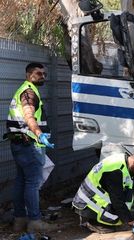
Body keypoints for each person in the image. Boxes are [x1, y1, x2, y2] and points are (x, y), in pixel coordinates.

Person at [5, 63, 57, 233]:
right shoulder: (28, 92)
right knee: (32, 183)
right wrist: (39, 133)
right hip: (30, 144)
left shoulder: (23, 89)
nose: (43, 76)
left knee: (21, 180)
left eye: (44, 74)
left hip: (19, 143)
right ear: (29, 74)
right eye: (38, 73)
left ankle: (20, 219)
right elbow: (29, 115)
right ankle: (34, 221)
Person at [72, 150, 134, 233]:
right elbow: (117, 201)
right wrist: (131, 222)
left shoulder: (123, 161)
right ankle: (92, 223)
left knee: (128, 197)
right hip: (87, 205)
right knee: (117, 220)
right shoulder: (115, 172)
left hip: (91, 198)